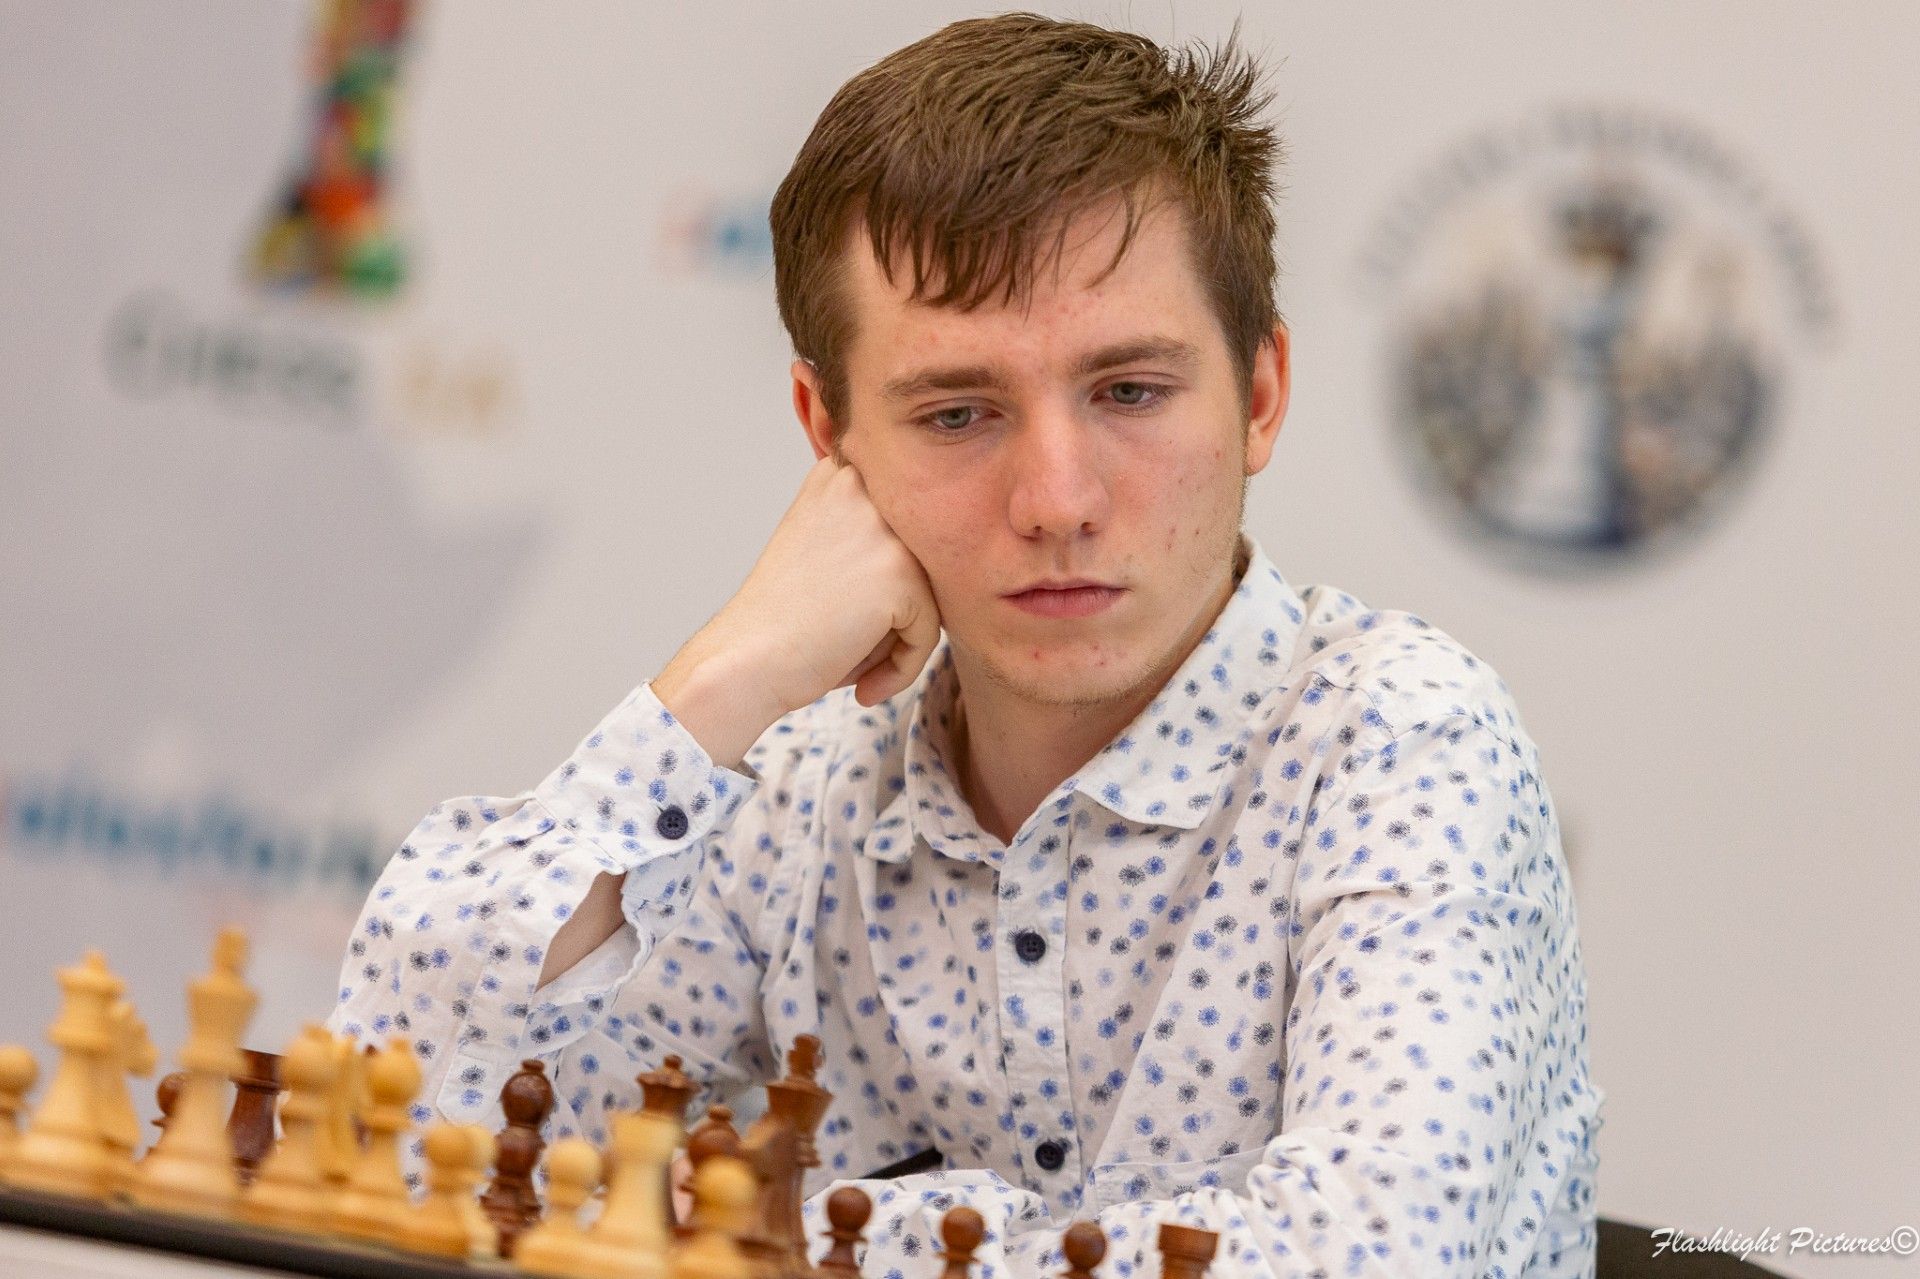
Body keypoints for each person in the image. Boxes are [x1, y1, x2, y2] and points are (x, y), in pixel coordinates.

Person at [329, 12, 1603, 1276]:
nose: (1056, 498)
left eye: (1131, 392)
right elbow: (377, 1131)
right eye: (957, 412)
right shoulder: (805, 785)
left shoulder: (1398, 742)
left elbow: (1379, 1262)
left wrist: (797, 1234)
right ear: (827, 432)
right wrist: (724, 683)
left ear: (1260, 393)